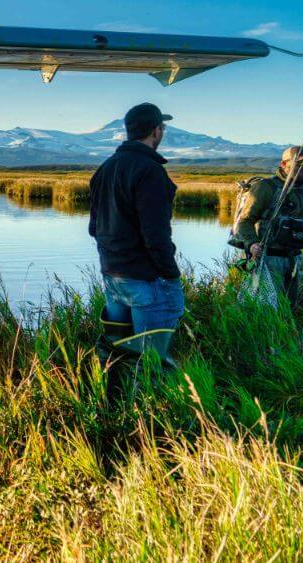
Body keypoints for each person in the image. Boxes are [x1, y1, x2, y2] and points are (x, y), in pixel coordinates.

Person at [89, 103, 184, 397]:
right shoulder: (151, 171)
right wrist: (170, 275)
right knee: (155, 362)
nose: (162, 132)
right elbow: (155, 235)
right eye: (162, 128)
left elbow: (94, 228)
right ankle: (153, 423)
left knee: (119, 354)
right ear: (156, 131)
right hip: (147, 280)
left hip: (114, 277)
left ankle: (113, 407)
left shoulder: (105, 169)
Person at [231, 146, 303, 308]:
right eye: (299, 164)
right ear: (283, 164)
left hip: (296, 257)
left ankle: (286, 331)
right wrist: (252, 243)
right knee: (265, 307)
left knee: (289, 307)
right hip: (269, 257)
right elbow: (244, 222)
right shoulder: (266, 188)